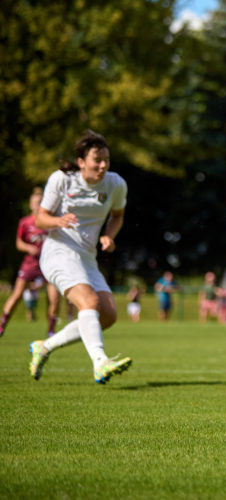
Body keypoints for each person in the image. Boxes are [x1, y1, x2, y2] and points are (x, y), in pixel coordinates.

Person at [28, 130, 132, 384]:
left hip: (86, 257)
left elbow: (117, 215)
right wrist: (58, 220)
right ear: (81, 161)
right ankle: (100, 363)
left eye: (106, 159)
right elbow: (40, 219)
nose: (103, 165)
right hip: (57, 252)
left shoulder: (115, 184)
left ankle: (44, 346)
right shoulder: (62, 180)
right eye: (97, 159)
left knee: (108, 315)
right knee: (88, 301)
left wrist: (108, 235)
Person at [1, 188, 60, 339]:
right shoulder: (25, 222)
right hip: (30, 264)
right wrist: (28, 247)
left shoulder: (51, 221)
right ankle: (2, 325)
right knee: (17, 294)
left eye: (40, 202)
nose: (38, 205)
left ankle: (51, 331)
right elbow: (18, 243)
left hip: (49, 264)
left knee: (54, 298)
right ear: (30, 204)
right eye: (35, 202)